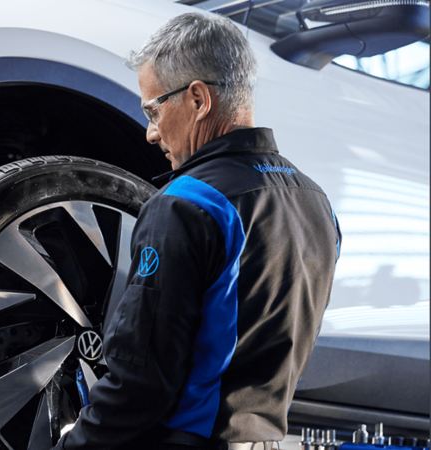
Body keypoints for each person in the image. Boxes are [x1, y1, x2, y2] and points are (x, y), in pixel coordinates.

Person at [52, 12, 341, 450]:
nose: (150, 133)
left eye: (153, 109)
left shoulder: (187, 203)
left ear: (198, 100)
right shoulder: (316, 203)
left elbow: (140, 380)